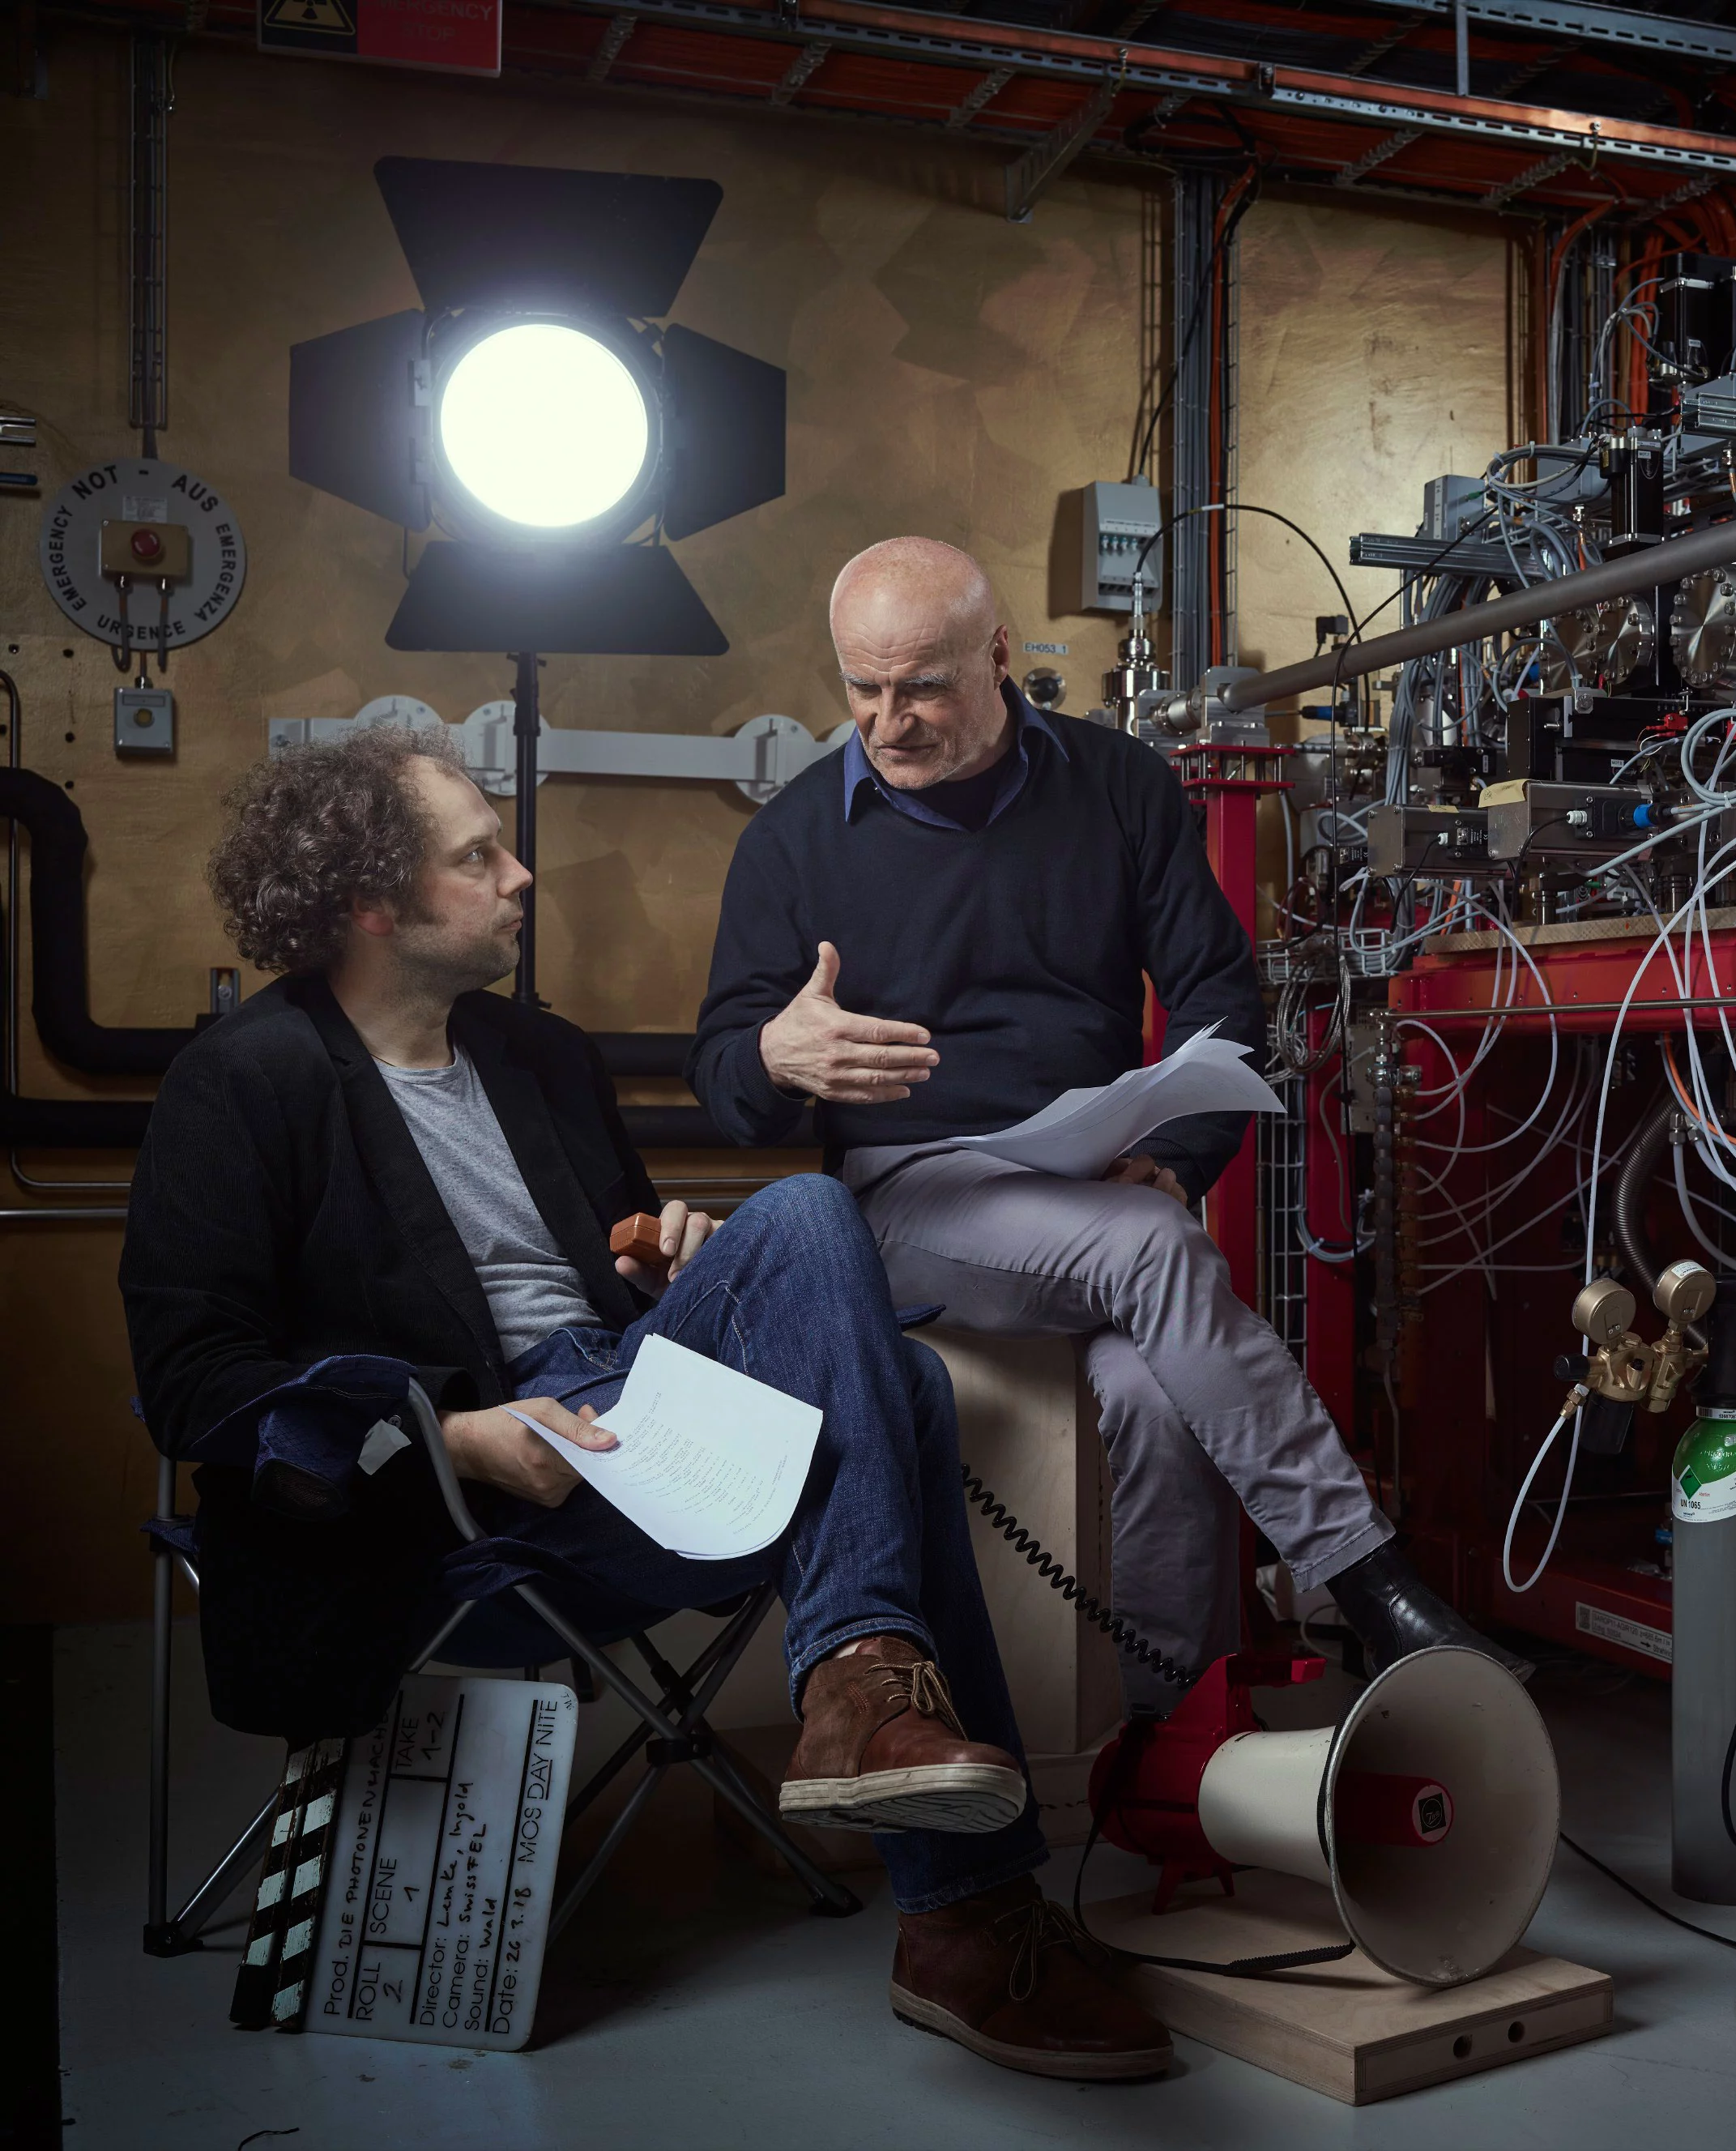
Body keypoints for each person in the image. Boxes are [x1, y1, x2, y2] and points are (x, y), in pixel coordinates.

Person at [120, 728, 1172, 2081]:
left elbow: (611, 1287)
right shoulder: (242, 1082)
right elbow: (197, 1384)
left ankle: (863, 1685)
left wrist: (653, 1265)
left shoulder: (537, 1054)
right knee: (888, 1360)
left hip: (622, 1417)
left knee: (803, 1248)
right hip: (468, 1499)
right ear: (370, 904)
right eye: (477, 856)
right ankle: (956, 1897)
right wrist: (456, 1438)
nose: (522, 874)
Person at [692, 537, 1521, 1711]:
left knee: (1149, 1387)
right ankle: (1367, 1581)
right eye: (863, 688)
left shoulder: (1119, 785)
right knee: (1147, 1250)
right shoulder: (788, 843)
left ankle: (1165, 1733)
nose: (890, 720)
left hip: (1083, 1179)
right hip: (903, 1195)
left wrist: (1176, 1155)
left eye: (922, 685)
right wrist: (779, 1055)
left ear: (996, 656)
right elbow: (724, 1079)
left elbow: (1217, 993)